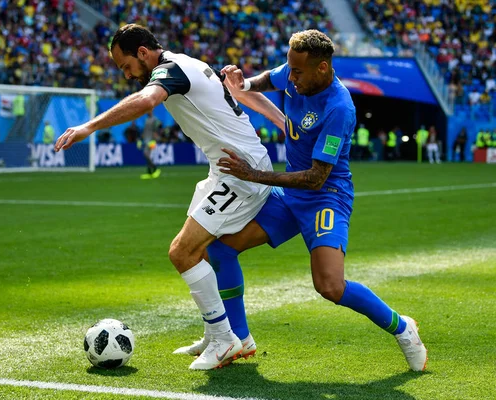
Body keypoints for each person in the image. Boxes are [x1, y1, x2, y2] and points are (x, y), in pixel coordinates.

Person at [175, 29, 427, 372]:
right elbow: (271, 78)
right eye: (290, 69)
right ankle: (239, 338)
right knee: (219, 248)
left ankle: (402, 327)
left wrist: (253, 174)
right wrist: (244, 84)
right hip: (290, 195)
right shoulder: (297, 72)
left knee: (330, 286)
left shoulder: (339, 108)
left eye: (297, 72)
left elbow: (315, 177)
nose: (290, 77)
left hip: (325, 197)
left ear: (322, 69)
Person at [54, 24, 285, 370]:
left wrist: (89, 126)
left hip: (241, 173)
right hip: (224, 170)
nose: (128, 74)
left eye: (126, 66)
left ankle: (224, 340)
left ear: (143, 53)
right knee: (201, 251)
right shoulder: (187, 64)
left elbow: (147, 100)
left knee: (182, 251)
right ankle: (220, 333)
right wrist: (281, 121)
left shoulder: (170, 70)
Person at [139, 111, 162, 179]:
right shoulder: (146, 120)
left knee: (145, 154)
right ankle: (149, 172)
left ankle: (155, 168)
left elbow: (158, 128)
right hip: (146, 140)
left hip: (151, 140)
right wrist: (141, 139)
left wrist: (156, 137)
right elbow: (144, 130)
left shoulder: (155, 119)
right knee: (147, 155)